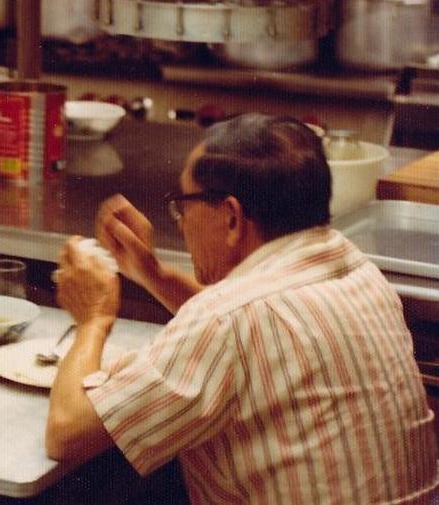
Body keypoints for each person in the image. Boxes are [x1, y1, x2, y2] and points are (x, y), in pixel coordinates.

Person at [46, 113, 438, 504]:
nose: (180, 223)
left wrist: (94, 319)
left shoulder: (227, 320)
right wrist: (152, 273)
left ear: (232, 217)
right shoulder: (359, 272)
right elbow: (249, 327)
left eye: (183, 206)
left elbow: (67, 433)